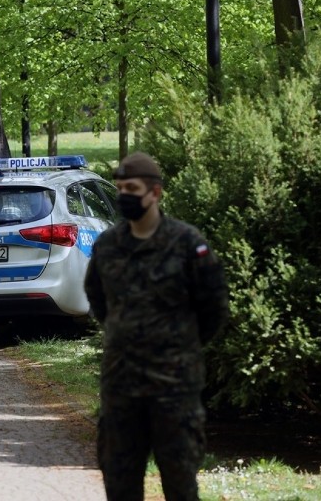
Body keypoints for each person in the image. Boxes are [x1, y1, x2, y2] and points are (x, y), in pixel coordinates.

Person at [83, 151, 230, 501]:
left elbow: (214, 309)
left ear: (155, 193)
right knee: (119, 485)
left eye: (132, 188)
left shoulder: (187, 245)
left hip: (174, 390)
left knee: (180, 486)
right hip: (121, 389)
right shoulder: (108, 246)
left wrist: (178, 347)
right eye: (119, 188)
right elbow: (99, 301)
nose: (124, 196)